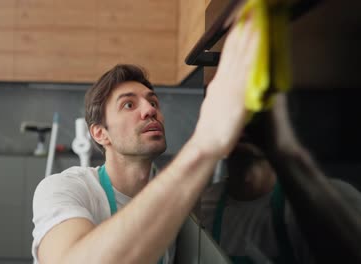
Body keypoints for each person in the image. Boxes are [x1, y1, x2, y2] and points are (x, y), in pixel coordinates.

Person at [31, 14, 261, 264]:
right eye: (129, 104)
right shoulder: (64, 189)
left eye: (152, 101)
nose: (150, 110)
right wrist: (204, 143)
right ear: (99, 133)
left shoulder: (180, 206)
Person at [194, 95, 361, 264]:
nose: (246, 125)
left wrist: (287, 153)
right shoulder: (202, 208)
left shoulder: (330, 200)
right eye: (236, 116)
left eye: (258, 117)